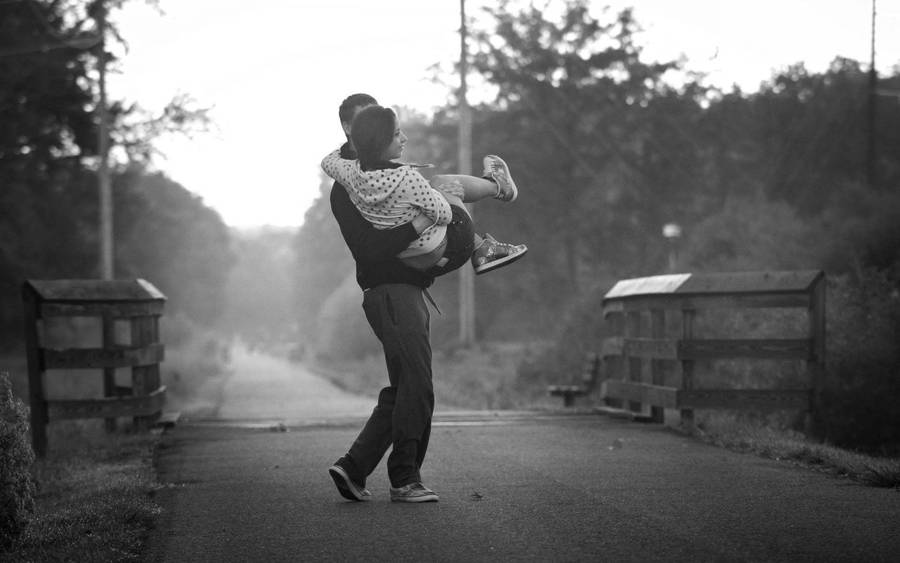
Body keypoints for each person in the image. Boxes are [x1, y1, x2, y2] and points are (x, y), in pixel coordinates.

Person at [325, 93, 441, 503]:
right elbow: (371, 250)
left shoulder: (390, 175)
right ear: (349, 130)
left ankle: (354, 467)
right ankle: (405, 479)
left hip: (407, 290)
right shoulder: (347, 188)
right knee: (419, 386)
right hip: (388, 293)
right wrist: (421, 221)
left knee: (405, 387)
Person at [321, 104, 527, 278]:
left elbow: (327, 161)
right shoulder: (407, 179)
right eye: (396, 134)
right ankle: (498, 186)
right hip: (446, 247)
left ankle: (482, 247)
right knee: (440, 183)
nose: (404, 138)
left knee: (424, 197)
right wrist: (441, 192)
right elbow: (444, 215)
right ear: (380, 141)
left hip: (413, 259)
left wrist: (361, 136)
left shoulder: (349, 173)